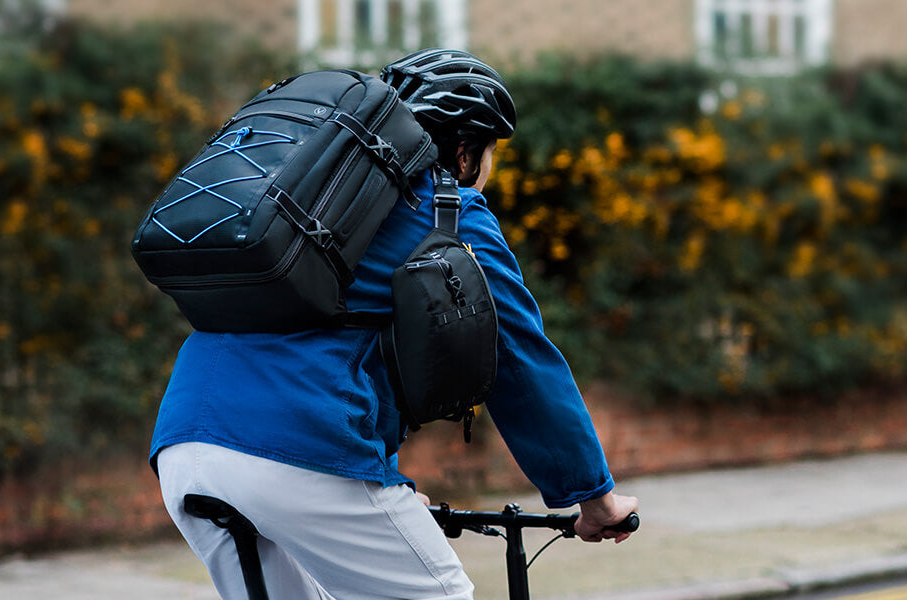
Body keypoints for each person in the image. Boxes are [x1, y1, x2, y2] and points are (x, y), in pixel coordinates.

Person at [150, 48, 639, 600]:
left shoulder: (317, 204)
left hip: (186, 447)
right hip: (299, 454)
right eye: (491, 152)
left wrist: (382, 482)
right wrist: (595, 499)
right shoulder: (449, 213)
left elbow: (343, 347)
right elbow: (520, 360)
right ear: (463, 153)